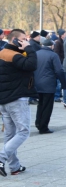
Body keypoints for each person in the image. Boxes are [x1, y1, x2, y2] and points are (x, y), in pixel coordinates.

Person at [0, 29, 37, 176]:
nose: (26, 40)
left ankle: (14, 166)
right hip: (16, 99)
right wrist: (29, 48)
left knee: (10, 134)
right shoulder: (13, 55)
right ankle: (2, 157)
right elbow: (32, 65)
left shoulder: (3, 53)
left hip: (4, 101)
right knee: (23, 132)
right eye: (23, 39)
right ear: (14, 40)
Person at [34, 39, 66, 134]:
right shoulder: (53, 55)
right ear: (52, 46)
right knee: (47, 106)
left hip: (37, 83)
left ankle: (38, 122)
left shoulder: (36, 53)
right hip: (48, 84)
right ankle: (43, 127)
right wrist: (64, 84)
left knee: (40, 104)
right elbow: (59, 70)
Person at [28, 31, 41, 105]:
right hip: (33, 65)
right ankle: (31, 98)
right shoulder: (33, 44)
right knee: (32, 81)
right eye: (38, 36)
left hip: (34, 64)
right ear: (34, 37)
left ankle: (32, 97)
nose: (39, 38)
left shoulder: (34, 43)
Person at [53, 29, 66, 103]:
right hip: (60, 63)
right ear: (62, 35)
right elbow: (57, 53)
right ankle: (57, 96)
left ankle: (58, 95)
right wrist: (60, 61)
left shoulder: (61, 42)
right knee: (58, 80)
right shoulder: (58, 43)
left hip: (61, 62)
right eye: (65, 34)